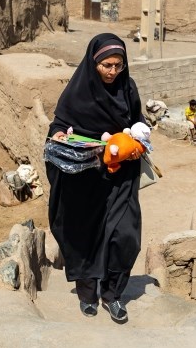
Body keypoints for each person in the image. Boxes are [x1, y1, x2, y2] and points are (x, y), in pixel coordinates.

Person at [44, 33, 145, 324]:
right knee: (85, 235)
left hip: (121, 176)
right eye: (107, 65)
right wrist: (60, 134)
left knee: (126, 236)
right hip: (86, 179)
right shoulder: (78, 91)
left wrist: (137, 142)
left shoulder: (128, 88)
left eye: (119, 65)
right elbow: (60, 123)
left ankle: (112, 294)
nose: (113, 72)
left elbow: (137, 121)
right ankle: (87, 292)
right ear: (93, 63)